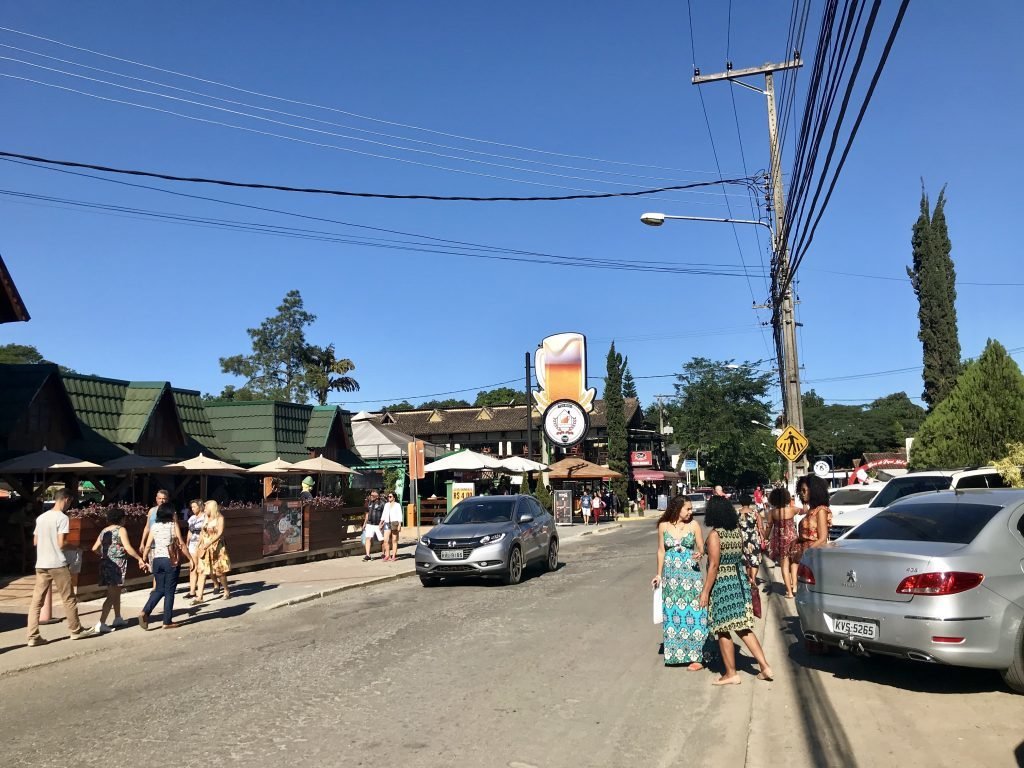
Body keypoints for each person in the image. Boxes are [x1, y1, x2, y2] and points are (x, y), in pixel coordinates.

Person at [699, 496, 773, 685]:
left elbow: (714, 565)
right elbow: (741, 556)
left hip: (723, 585)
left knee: (723, 629)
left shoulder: (716, 535)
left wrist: (706, 591)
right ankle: (764, 666)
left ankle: (731, 673)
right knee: (742, 627)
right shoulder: (736, 532)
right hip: (738, 581)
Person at [26, 489, 93, 646]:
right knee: (68, 598)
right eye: (70, 502)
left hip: (41, 563)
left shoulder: (41, 518)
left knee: (37, 601)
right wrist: (76, 547)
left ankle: (32, 636)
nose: (69, 505)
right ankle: (75, 630)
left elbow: (35, 542)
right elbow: (61, 543)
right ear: (66, 499)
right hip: (57, 563)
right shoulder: (62, 518)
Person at [652, 495, 707, 670]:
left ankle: (697, 656)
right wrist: (659, 575)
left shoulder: (694, 525)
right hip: (671, 578)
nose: (691, 512)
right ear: (677, 508)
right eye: (688, 509)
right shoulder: (663, 526)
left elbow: (701, 546)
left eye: (691, 509)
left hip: (691, 577)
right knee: (673, 614)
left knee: (696, 614)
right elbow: (661, 551)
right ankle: (676, 654)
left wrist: (700, 552)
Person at [90, 507, 146, 633]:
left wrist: (103, 555)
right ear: (121, 519)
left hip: (105, 563)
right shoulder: (121, 530)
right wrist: (139, 558)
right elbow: (128, 547)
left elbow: (94, 548)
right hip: (117, 564)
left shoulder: (104, 530)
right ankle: (101, 622)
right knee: (112, 594)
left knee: (115, 591)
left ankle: (117, 617)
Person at [139, 503, 193, 630]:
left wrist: (144, 559)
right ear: (171, 513)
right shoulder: (173, 525)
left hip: (157, 560)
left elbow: (147, 545)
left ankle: (145, 611)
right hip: (171, 561)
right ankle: (167, 621)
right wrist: (190, 559)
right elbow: (181, 544)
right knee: (169, 592)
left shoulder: (155, 526)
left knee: (159, 589)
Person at [194, 500, 231, 604]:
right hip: (205, 547)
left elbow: (220, 533)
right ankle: (199, 596)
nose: (204, 509)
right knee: (202, 571)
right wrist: (199, 544)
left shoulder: (220, 518)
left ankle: (226, 589)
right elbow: (202, 532)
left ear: (211, 508)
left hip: (216, 547)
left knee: (219, 572)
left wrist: (209, 543)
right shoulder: (206, 518)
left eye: (206, 508)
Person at [792, 474, 832, 564]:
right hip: (806, 556)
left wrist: (804, 553)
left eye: (804, 490)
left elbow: (822, 538)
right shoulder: (811, 510)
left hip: (815, 556)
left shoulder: (821, 510)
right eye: (800, 491)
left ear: (814, 491)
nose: (802, 493)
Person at [766, 487, 798, 598]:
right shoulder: (792, 510)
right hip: (793, 539)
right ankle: (795, 585)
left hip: (780, 540)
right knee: (794, 563)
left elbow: (769, 526)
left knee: (784, 566)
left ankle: (789, 592)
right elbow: (804, 510)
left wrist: (765, 538)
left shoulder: (772, 512)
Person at [737, 494, 767, 586]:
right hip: (754, 539)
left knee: (747, 560)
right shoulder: (755, 513)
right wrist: (764, 538)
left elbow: (735, 527)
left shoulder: (737, 513)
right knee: (755, 560)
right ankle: (753, 579)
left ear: (740, 502)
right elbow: (760, 527)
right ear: (750, 502)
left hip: (742, 539)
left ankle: (750, 578)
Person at [185, 499, 205, 599]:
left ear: (200, 507)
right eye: (191, 507)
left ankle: (214, 584)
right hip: (192, 543)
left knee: (200, 567)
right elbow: (190, 531)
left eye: (194, 507)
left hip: (201, 543)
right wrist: (187, 542)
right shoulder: (192, 518)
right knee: (193, 566)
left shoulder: (205, 517)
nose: (192, 509)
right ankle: (192, 590)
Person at [362, 490, 385, 561]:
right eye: (371, 495)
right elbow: (367, 514)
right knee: (368, 538)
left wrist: (382, 524)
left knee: (382, 540)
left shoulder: (382, 503)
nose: (371, 497)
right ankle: (367, 555)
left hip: (378, 524)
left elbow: (385, 514)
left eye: (372, 496)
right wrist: (365, 523)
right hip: (370, 524)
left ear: (377, 496)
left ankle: (383, 553)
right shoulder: (369, 502)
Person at [381, 492, 403, 561]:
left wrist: (399, 524)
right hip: (387, 523)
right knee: (385, 540)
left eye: (390, 496)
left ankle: (393, 555)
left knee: (394, 540)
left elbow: (400, 515)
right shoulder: (386, 505)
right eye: (388, 496)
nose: (389, 498)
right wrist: (381, 522)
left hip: (394, 522)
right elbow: (384, 514)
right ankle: (387, 555)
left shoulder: (397, 505)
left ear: (394, 497)